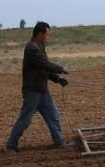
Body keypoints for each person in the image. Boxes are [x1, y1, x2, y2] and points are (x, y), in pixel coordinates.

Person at [4, 21, 70, 153]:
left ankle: (59, 141)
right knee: (25, 120)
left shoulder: (39, 46)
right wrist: (61, 69)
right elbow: (44, 64)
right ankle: (10, 146)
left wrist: (57, 79)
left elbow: (43, 69)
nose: (48, 37)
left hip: (42, 90)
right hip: (33, 91)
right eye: (47, 34)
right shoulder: (32, 48)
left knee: (53, 115)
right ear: (40, 34)